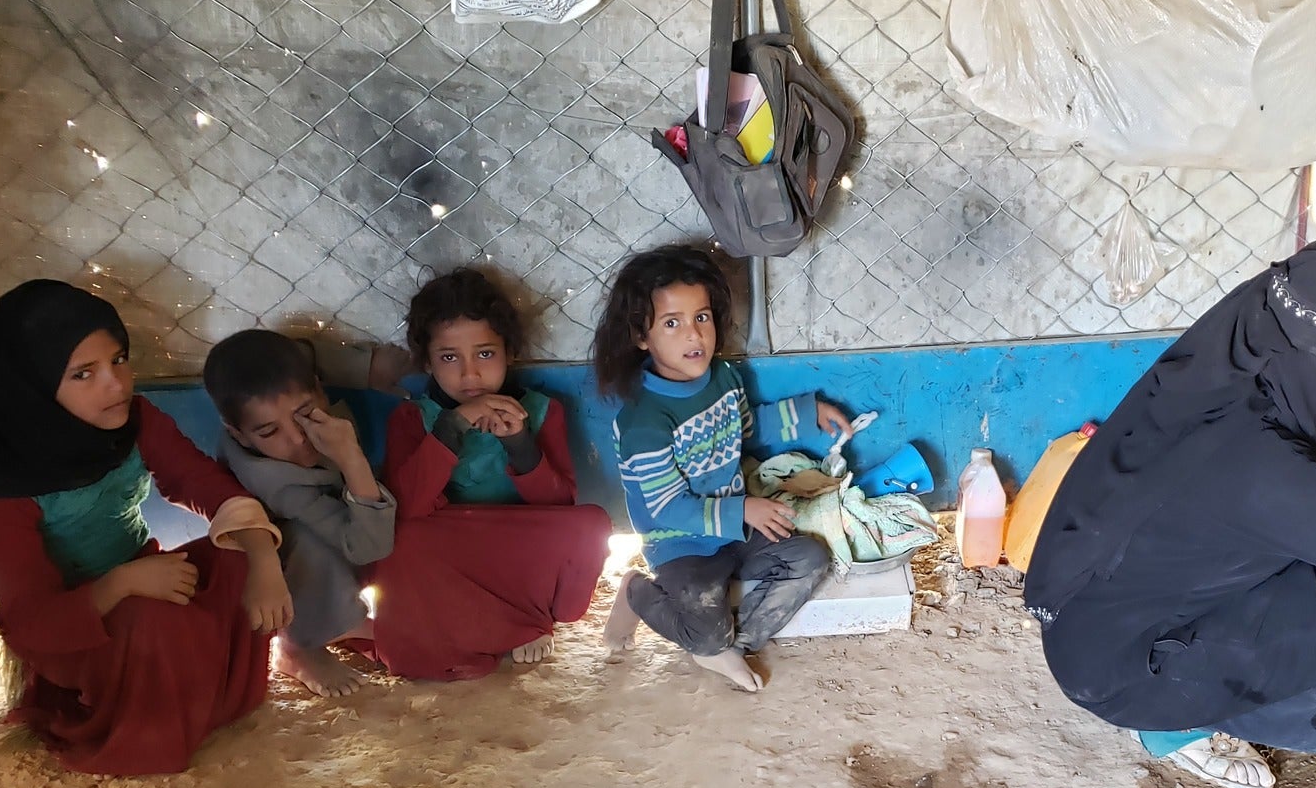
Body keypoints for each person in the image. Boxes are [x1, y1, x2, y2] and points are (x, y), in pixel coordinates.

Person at [1023, 237, 1316, 788]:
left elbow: (1289, 441)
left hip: (1085, 606)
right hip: (1121, 674)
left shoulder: (1231, 349)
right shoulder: (1264, 469)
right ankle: (1181, 723)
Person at [0, 280, 290, 775]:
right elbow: (32, 621)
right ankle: (152, 730)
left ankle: (214, 704)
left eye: (119, 360)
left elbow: (203, 482)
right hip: (76, 623)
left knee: (240, 552)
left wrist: (263, 558)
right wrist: (122, 584)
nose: (116, 384)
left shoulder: (134, 420)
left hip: (142, 576)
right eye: (84, 374)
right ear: (33, 386)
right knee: (153, 619)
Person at [592, 246, 845, 692]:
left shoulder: (723, 379)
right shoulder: (643, 422)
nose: (694, 335)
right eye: (672, 323)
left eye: (702, 317)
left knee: (809, 558)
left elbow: (747, 428)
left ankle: (729, 644)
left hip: (734, 530)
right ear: (640, 336)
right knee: (703, 619)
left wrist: (808, 412)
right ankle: (638, 593)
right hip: (681, 545)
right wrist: (743, 510)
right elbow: (669, 509)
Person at [376, 268, 611, 680]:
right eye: (450, 357)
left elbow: (560, 505)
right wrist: (449, 431)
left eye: (485, 354)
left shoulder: (540, 410)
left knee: (591, 524)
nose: (469, 374)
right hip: (454, 553)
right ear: (428, 362)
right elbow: (407, 507)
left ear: (509, 353)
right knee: (402, 538)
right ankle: (509, 627)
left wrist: (520, 444)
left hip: (518, 550)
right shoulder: (413, 418)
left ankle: (527, 617)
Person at [205, 329, 395, 698]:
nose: (296, 439)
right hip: (280, 555)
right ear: (240, 435)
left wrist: (366, 368)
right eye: (269, 431)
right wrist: (351, 459)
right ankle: (300, 646)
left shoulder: (292, 389)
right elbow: (368, 547)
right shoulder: (280, 487)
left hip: (330, 508)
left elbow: (305, 351)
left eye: (304, 414)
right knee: (311, 541)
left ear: (321, 390)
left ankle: (345, 621)